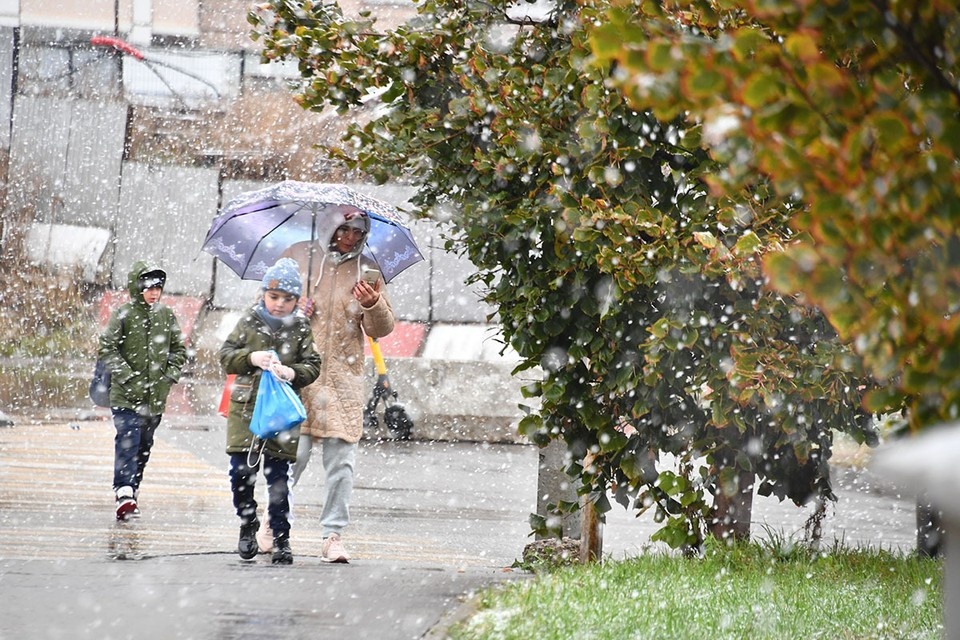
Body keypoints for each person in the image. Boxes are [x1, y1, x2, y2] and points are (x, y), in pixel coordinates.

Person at [278, 210, 395, 563]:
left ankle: (333, 535)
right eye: (345, 229)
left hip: (343, 381)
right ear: (330, 226)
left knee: (342, 463)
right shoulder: (298, 256)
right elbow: (264, 308)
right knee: (290, 458)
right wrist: (293, 309)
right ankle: (273, 522)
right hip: (298, 375)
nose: (351, 238)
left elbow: (381, 329)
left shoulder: (368, 270)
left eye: (359, 232)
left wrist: (372, 305)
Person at [219, 258, 322, 564]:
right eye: (274, 297)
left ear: (296, 300)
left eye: (288, 299)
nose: (279, 304)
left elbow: (313, 364)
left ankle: (281, 537)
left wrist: (292, 373)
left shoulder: (302, 326)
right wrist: (251, 358)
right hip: (246, 409)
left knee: (278, 479)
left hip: (281, 412)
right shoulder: (249, 321)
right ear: (263, 294)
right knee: (241, 473)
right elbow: (226, 356)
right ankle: (247, 521)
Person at [98, 261, 187, 521]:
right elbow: (107, 348)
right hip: (125, 396)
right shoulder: (123, 314)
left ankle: (132, 491)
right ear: (137, 287)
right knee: (128, 439)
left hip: (154, 398)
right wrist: (127, 376)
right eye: (148, 287)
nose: (154, 292)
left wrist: (169, 376)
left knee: (144, 446)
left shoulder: (166, 315)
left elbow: (179, 350)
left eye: (158, 287)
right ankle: (123, 491)